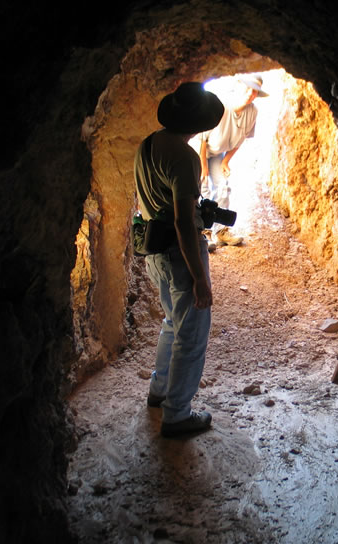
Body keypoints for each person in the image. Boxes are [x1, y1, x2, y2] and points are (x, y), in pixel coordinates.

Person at [134, 82, 224, 437]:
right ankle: (177, 415)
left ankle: (159, 391)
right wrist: (200, 277)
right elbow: (184, 222)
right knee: (192, 333)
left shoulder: (148, 145)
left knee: (173, 322)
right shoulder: (184, 158)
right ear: (199, 123)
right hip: (179, 252)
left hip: (153, 250)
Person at [198, 73, 269, 248]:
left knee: (223, 185)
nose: (250, 94)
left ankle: (221, 231)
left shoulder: (252, 112)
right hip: (200, 150)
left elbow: (242, 137)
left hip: (218, 153)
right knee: (203, 187)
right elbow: (201, 138)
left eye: (255, 92)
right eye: (248, 89)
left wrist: (225, 161)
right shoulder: (222, 105)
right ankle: (202, 233)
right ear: (239, 86)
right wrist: (203, 167)